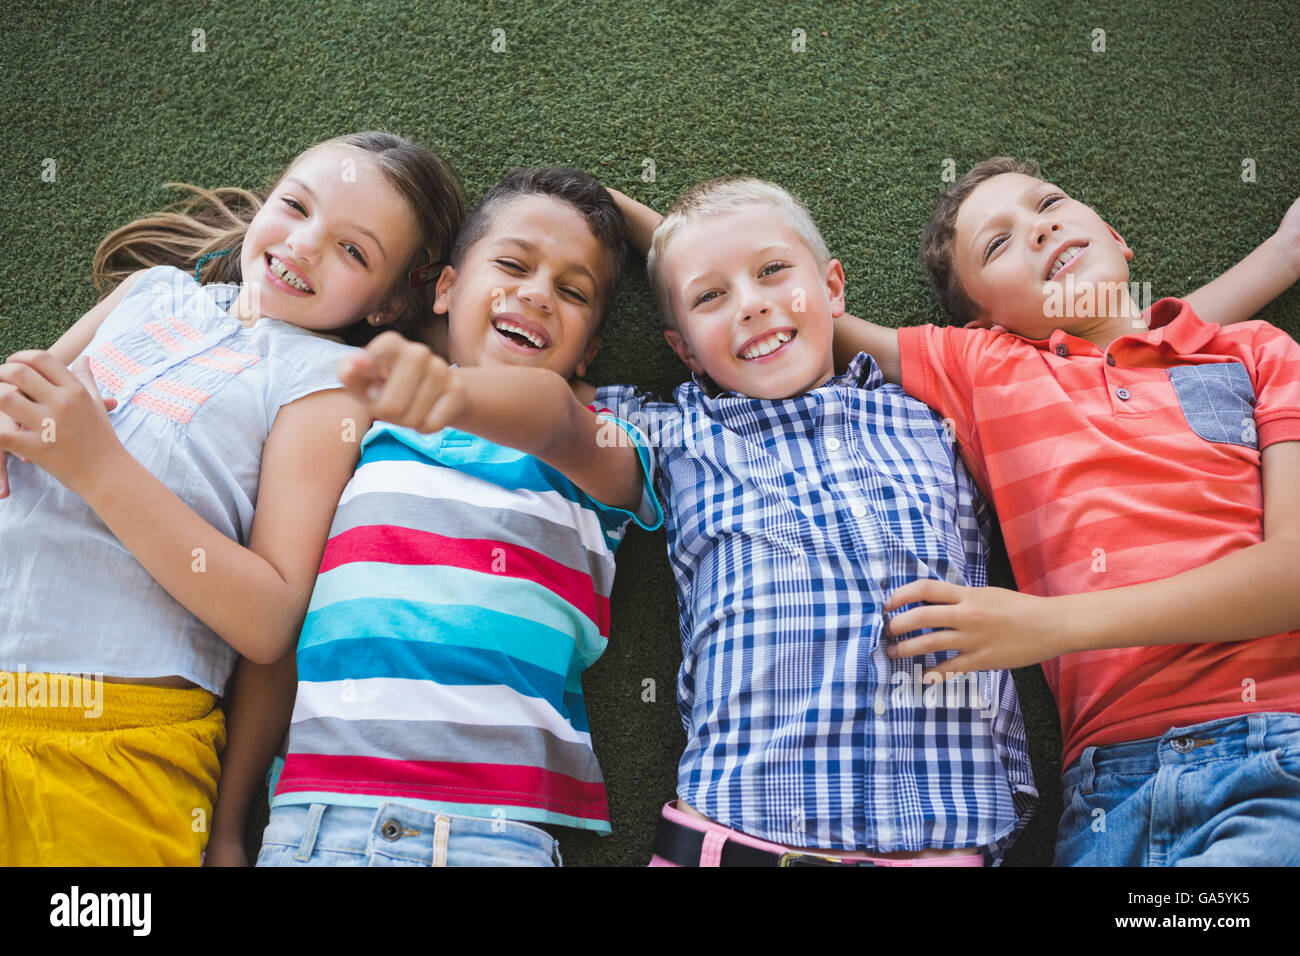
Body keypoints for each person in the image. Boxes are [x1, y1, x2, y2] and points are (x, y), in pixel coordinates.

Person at [0, 131, 466, 866]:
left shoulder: (325, 381)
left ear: (383, 307)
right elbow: (22, 408)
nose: (307, 245)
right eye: (297, 206)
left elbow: (271, 619)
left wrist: (97, 465)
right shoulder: (152, 292)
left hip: (112, 740)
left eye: (354, 251)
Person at [832, 157, 1300, 865]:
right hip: (1104, 799)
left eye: (1048, 201)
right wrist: (619, 212)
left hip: (1273, 749)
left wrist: (1050, 626)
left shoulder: (1256, 353)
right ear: (986, 321)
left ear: (1115, 234)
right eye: (998, 243)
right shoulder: (987, 369)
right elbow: (790, 307)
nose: (1040, 225)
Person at [599, 178, 1037, 866]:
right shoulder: (675, 429)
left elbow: (1099, 376)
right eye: (710, 298)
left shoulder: (938, 419)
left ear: (833, 288)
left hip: (945, 842)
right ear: (685, 350)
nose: (751, 304)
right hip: (736, 836)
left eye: (773, 271)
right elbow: (530, 395)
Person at [247, 167, 662, 867]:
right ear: (444, 288)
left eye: (572, 290)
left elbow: (555, 418)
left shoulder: (608, 435)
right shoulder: (355, 421)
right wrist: (229, 823)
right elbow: (280, 629)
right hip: (314, 826)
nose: (536, 293)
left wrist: (453, 394)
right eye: (513, 264)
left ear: (590, 350)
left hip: (493, 837)